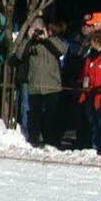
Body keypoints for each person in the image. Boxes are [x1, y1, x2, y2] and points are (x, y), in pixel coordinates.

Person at [15, 17, 66, 147]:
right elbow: (19, 55)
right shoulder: (30, 43)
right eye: (35, 29)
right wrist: (28, 38)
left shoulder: (52, 40)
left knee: (51, 116)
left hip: (52, 86)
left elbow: (62, 50)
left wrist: (46, 38)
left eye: (39, 29)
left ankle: (52, 142)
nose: (37, 33)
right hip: (35, 86)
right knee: (34, 116)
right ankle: (33, 141)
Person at [80, 32, 101, 154]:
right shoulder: (90, 57)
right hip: (90, 95)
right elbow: (86, 74)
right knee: (93, 123)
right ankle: (95, 146)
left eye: (93, 41)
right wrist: (84, 90)